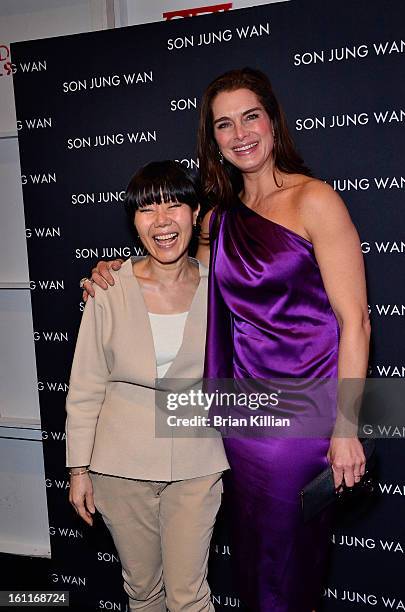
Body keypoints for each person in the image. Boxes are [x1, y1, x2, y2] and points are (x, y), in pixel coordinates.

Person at [84, 68, 370, 611]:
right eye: (223, 124)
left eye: (250, 117)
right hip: (239, 425)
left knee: (289, 564)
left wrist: (347, 428)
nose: (240, 133)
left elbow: (355, 321)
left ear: (272, 120)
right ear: (211, 138)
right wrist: (113, 273)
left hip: (303, 422)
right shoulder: (217, 220)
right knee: (255, 561)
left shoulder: (316, 202)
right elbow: (170, 267)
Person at [66, 160, 229, 612]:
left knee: (189, 596)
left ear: (195, 214)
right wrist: (78, 469)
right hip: (119, 466)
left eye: (174, 205)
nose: (162, 221)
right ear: (134, 222)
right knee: (142, 592)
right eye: (147, 209)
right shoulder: (108, 288)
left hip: (196, 461)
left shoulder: (220, 288)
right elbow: (85, 386)